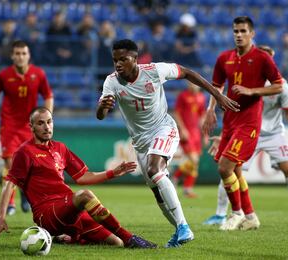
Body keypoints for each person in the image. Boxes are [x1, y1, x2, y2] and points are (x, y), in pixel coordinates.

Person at [96, 39, 239, 247]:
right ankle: (178, 231)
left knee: (156, 170)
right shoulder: (112, 82)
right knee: (156, 189)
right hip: (141, 143)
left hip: (164, 128)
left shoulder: (155, 71)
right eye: (115, 60)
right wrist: (103, 107)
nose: (118, 64)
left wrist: (217, 94)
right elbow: (100, 115)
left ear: (135, 59)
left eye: (123, 59)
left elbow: (187, 73)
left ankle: (183, 226)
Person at [0, 107, 157, 248]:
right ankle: (131, 238)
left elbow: (83, 176)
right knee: (85, 195)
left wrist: (113, 173)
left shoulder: (60, 148)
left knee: (116, 243)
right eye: (40, 123)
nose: (47, 127)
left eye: (49, 122)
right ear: (31, 127)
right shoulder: (24, 152)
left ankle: (72, 238)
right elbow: (9, 184)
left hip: (69, 209)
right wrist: (0, 218)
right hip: (47, 213)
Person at [202, 17, 283, 231]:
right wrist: (210, 110)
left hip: (249, 123)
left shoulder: (262, 58)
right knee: (236, 170)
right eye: (235, 30)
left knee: (224, 167)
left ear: (252, 33)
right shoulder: (224, 58)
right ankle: (251, 217)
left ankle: (236, 213)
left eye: (243, 30)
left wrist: (253, 90)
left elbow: (278, 85)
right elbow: (216, 86)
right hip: (229, 121)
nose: (238, 34)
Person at [0, 40, 54, 216]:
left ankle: (23, 191)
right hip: (10, 126)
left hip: (31, 127)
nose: (20, 57)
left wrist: (47, 119)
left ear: (28, 56)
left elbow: (48, 96)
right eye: (17, 54)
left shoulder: (39, 74)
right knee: (10, 163)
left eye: (24, 54)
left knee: (30, 165)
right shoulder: (5, 75)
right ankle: (11, 201)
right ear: (12, 56)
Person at [172, 82, 207, 198]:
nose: (193, 85)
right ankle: (175, 178)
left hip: (196, 133)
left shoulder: (202, 97)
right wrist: (182, 129)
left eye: (195, 83)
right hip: (187, 132)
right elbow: (177, 113)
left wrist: (205, 134)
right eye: (191, 83)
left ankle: (187, 188)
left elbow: (202, 116)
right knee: (194, 160)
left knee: (194, 163)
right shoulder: (183, 96)